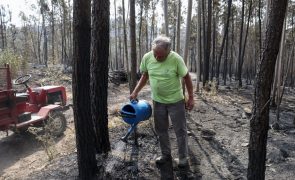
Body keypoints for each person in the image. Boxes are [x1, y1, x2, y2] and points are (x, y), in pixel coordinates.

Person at [130, 35, 194, 167]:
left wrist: (191, 97)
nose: (157, 58)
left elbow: (186, 77)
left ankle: (183, 158)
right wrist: (135, 91)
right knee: (161, 129)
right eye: (155, 54)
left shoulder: (176, 59)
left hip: (176, 101)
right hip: (158, 101)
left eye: (161, 55)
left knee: (180, 130)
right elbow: (145, 76)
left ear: (168, 51)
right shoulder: (147, 57)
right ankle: (166, 155)